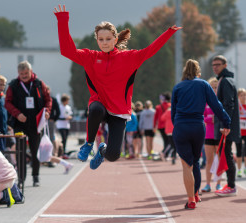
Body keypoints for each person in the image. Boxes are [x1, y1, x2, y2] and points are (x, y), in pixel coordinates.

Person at [54, 4, 181, 170]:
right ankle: (88, 144)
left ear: (115, 39)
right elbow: (67, 50)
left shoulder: (129, 57)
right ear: (97, 40)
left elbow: (150, 50)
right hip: (99, 103)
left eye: (108, 39)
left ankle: (102, 151)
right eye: (101, 39)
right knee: (96, 110)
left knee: (113, 155)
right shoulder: (91, 57)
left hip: (119, 110)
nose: (104, 42)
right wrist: (63, 21)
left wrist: (169, 32)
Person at [171, 59, 231, 209]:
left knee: (186, 165)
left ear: (185, 71)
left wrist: (178, 126)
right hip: (198, 126)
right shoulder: (204, 84)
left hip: (181, 126)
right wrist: (226, 122)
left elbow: (173, 113)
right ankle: (196, 194)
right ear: (198, 72)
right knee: (196, 161)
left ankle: (191, 199)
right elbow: (216, 105)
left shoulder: (178, 87)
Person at [5, 60, 52, 187]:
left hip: (36, 123)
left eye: (26, 73)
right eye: (21, 74)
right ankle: (21, 179)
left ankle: (36, 176)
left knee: (35, 150)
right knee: (20, 151)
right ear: (18, 73)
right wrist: (17, 113)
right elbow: (7, 103)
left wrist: (47, 111)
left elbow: (48, 99)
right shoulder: (13, 85)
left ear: (31, 72)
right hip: (20, 123)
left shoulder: (38, 84)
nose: (24, 76)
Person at [212, 55, 240, 196]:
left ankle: (231, 186)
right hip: (225, 125)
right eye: (213, 65)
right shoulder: (223, 80)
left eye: (218, 64)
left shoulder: (226, 81)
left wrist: (225, 124)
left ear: (225, 65)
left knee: (227, 154)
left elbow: (229, 104)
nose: (215, 67)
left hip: (226, 127)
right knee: (226, 154)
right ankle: (229, 184)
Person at [201, 77, 222, 192]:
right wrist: (210, 119)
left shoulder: (221, 101)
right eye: (212, 87)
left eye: (216, 87)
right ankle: (208, 184)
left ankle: (218, 183)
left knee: (219, 159)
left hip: (219, 134)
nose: (214, 89)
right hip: (208, 134)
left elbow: (225, 116)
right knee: (209, 160)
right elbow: (202, 117)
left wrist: (217, 119)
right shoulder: (205, 101)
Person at [154, 92, 171, 160]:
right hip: (169, 126)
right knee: (170, 141)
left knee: (165, 140)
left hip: (161, 126)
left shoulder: (158, 107)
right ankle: (165, 154)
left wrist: (154, 126)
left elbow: (155, 118)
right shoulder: (171, 105)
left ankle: (164, 153)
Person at [56, 94, 73, 159]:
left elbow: (71, 114)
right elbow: (57, 117)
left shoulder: (68, 107)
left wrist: (70, 117)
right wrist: (64, 119)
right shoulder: (60, 107)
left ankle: (64, 151)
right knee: (63, 138)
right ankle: (62, 151)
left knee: (65, 139)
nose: (68, 102)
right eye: (67, 100)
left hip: (67, 125)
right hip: (61, 125)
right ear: (64, 100)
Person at [236, 88, 246, 177]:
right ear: (238, 96)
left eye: (245, 95)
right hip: (239, 132)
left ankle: (245, 169)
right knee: (239, 151)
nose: (243, 97)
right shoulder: (237, 106)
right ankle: (239, 170)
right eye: (241, 95)